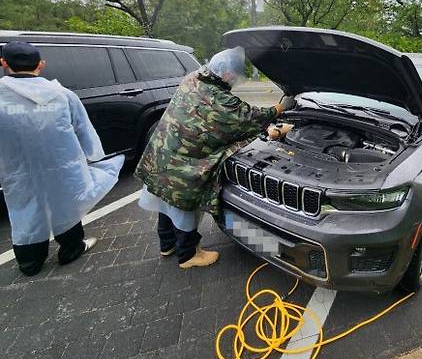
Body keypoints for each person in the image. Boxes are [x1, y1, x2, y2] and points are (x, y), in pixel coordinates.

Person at [134, 47, 296, 269]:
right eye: (235, 75)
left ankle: (167, 245)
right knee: (182, 206)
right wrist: (280, 108)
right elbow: (248, 118)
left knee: (166, 201)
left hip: (161, 154)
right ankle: (188, 255)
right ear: (228, 73)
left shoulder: (193, 78)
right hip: (182, 166)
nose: (234, 80)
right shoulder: (219, 99)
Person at [0, 41, 124, 276]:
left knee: (24, 209)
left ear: (4, 63)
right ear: (41, 65)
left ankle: (29, 263)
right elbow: (84, 130)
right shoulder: (62, 94)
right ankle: (70, 249)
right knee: (65, 205)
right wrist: (94, 158)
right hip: (62, 166)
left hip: (17, 170)